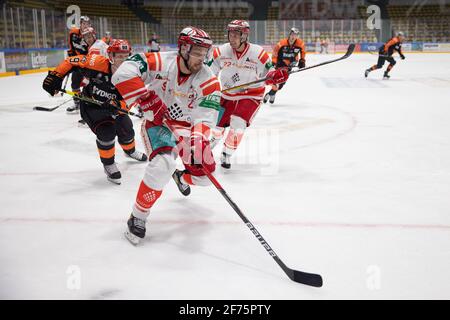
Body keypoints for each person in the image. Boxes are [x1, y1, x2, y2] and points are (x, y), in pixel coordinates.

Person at [111, 27, 222, 244]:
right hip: (157, 124)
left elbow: (205, 118)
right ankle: (138, 215)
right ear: (184, 48)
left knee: (204, 176)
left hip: (188, 129)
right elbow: (122, 73)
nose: (202, 58)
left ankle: (181, 176)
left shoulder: (209, 81)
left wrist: (198, 142)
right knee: (163, 165)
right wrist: (144, 97)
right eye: (197, 52)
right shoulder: (160, 62)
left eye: (205, 53)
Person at [42, 39, 147, 184]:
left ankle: (130, 151)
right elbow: (71, 61)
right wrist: (56, 75)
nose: (122, 60)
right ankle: (109, 163)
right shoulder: (96, 62)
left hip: (115, 107)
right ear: (111, 56)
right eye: (118, 56)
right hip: (92, 105)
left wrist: (117, 104)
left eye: (125, 56)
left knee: (127, 130)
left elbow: (133, 98)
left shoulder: (134, 75)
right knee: (107, 132)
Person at [206, 20, 288, 169]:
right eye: (230, 34)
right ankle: (211, 144)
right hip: (227, 94)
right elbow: (209, 73)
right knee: (216, 128)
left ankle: (227, 153)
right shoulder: (221, 51)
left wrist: (275, 76)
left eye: (236, 34)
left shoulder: (258, 53)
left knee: (238, 125)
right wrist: (207, 88)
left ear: (244, 36)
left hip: (251, 95)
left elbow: (269, 72)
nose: (232, 38)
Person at [263, 27, 305, 104]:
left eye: (295, 35)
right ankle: (272, 94)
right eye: (292, 34)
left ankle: (271, 94)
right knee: (275, 80)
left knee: (281, 84)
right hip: (280, 63)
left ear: (297, 36)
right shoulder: (281, 43)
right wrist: (274, 62)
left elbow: (303, 51)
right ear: (289, 35)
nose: (293, 37)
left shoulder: (300, 43)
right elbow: (275, 52)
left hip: (290, 64)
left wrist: (302, 60)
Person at [66, 16, 92, 114]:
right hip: (78, 62)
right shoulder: (74, 33)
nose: (85, 25)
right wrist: (71, 55)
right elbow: (73, 46)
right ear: (80, 24)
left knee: (90, 84)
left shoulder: (91, 34)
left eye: (87, 23)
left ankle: (90, 104)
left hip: (89, 63)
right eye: (83, 23)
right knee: (75, 83)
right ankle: (77, 102)